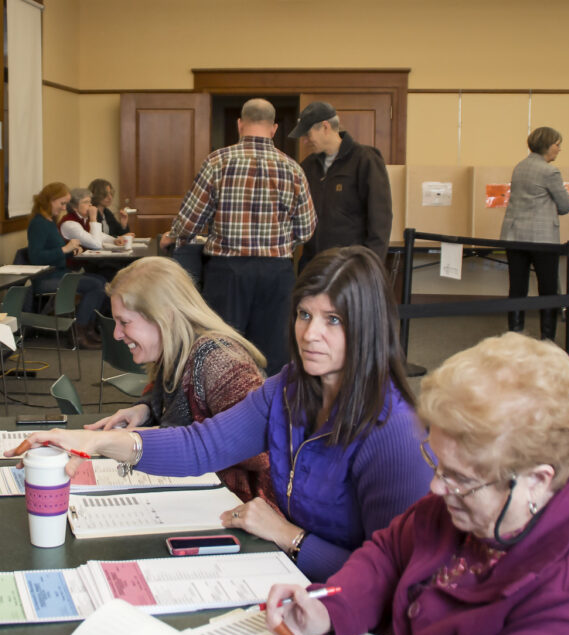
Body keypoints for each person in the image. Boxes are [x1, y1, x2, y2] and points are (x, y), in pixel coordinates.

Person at [255, 332, 569, 635]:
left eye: (459, 478)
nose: (435, 488)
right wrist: (330, 606)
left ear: (536, 480)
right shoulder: (494, 494)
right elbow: (394, 548)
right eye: (437, 462)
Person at [11, 246, 432, 581]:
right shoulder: (289, 388)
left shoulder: (393, 431)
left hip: (359, 623)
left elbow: (394, 577)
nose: (310, 334)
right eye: (304, 314)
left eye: (333, 320)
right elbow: (203, 444)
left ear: (368, 326)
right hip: (291, 582)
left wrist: (291, 538)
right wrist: (96, 441)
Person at [85, 256, 272, 504]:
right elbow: (166, 392)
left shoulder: (218, 360)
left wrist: (181, 438)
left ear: (165, 316)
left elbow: (262, 452)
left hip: (241, 505)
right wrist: (144, 409)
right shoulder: (177, 349)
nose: (117, 334)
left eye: (124, 323)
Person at [166, 98, 316, 375]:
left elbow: (189, 222)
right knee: (273, 355)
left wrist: (174, 236)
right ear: (273, 129)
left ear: (239, 125)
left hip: (227, 272)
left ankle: (225, 414)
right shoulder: (294, 168)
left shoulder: (217, 162)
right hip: (276, 272)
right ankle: (270, 413)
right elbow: (306, 229)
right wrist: (279, 241)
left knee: (222, 351)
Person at [288, 101, 392, 268]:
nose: (305, 141)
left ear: (325, 127)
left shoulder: (366, 160)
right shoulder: (307, 166)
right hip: (313, 265)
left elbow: (380, 221)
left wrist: (371, 267)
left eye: (308, 134)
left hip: (350, 267)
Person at [499, 126, 569, 341]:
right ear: (547, 146)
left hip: (515, 236)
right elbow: (565, 205)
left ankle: (515, 333)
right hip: (542, 239)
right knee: (548, 289)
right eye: (557, 145)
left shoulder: (520, 167)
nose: (559, 149)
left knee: (517, 287)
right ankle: (547, 339)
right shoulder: (550, 171)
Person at [25, 181, 109, 348]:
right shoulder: (39, 223)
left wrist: (72, 250)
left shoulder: (49, 221)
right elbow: (36, 257)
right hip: (46, 278)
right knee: (95, 285)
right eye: (62, 203)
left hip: (58, 273)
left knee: (100, 281)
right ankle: (78, 333)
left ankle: (88, 329)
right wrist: (64, 250)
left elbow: (55, 250)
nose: (64, 208)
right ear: (49, 200)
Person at [60, 186, 130, 250]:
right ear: (74, 207)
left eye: (90, 202)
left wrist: (114, 240)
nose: (90, 205)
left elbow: (100, 235)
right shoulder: (69, 224)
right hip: (75, 263)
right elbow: (96, 244)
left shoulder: (84, 218)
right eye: (86, 202)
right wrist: (93, 219)